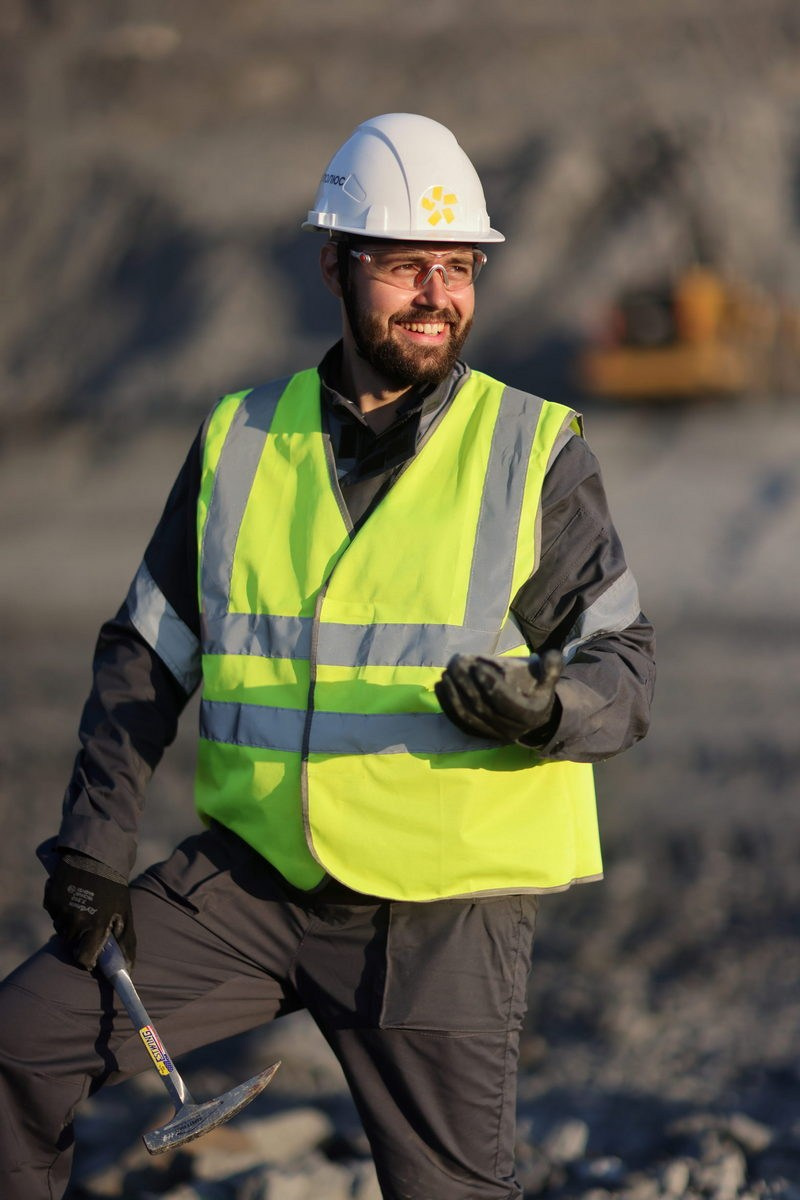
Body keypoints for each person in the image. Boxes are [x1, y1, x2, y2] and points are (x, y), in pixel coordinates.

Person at [0, 113, 655, 1200]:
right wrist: (92, 847)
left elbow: (622, 669)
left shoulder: (532, 452)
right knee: (22, 1047)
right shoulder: (240, 440)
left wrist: (537, 708)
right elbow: (145, 657)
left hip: (440, 914)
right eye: (405, 267)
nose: (436, 293)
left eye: (457, 266)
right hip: (253, 884)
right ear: (336, 269)